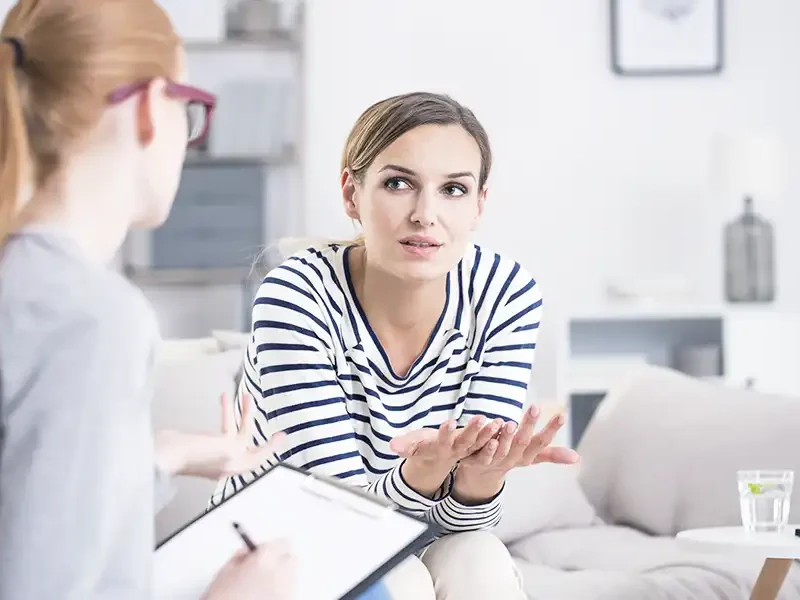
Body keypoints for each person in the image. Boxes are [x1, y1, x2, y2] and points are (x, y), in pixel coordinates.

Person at [211, 91, 581, 598]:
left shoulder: (504, 293)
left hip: (406, 528)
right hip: (276, 544)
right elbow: (340, 517)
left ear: (478, 205)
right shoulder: (296, 295)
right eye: (398, 184)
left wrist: (479, 479)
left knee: (480, 559)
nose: (425, 214)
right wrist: (424, 473)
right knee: (400, 580)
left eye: (453, 189)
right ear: (351, 195)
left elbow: (465, 521)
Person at [0, 1, 304, 598]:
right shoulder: (92, 319)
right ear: (147, 107)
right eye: (190, 110)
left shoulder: (27, 287)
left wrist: (161, 455)